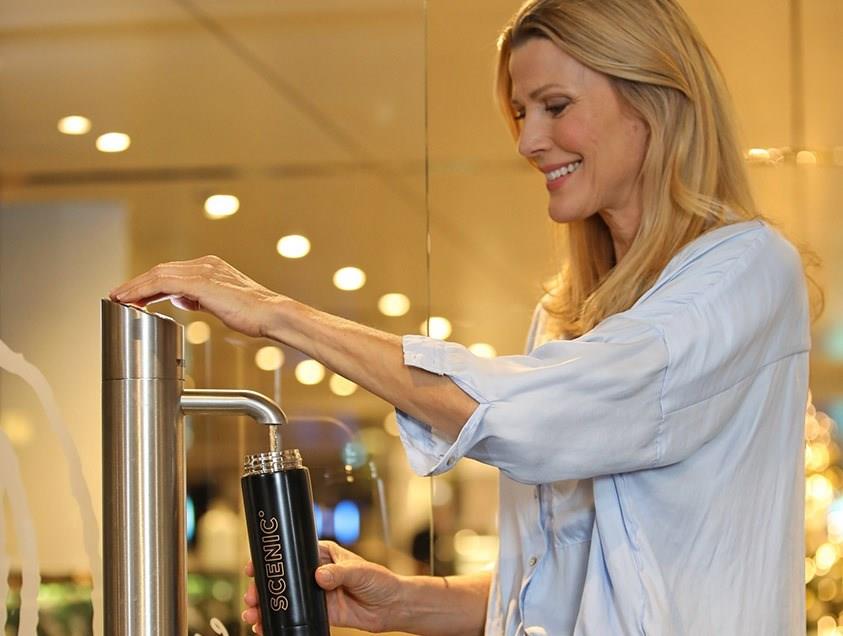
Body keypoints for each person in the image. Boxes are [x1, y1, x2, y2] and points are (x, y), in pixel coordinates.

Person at [110, 0, 816, 633]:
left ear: (654, 99)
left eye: (554, 105)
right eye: (521, 113)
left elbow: (528, 418)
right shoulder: (566, 318)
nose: (527, 141)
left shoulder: (747, 274)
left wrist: (278, 315)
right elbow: (555, 585)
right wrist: (402, 601)